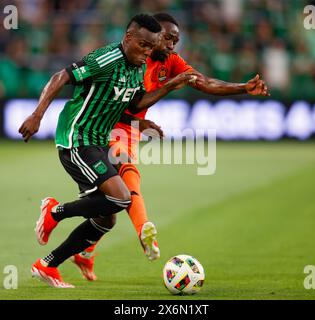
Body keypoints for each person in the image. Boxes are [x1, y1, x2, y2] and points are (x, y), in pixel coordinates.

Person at [71, 12, 270, 282]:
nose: (172, 46)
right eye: (168, 39)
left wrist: (242, 88)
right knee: (126, 170)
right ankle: (143, 230)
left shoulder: (170, 61)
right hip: (101, 127)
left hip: (128, 128)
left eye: (176, 41)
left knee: (112, 204)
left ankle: (84, 249)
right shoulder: (128, 58)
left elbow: (201, 81)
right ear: (153, 36)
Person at [18, 13, 196, 288]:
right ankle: (55, 212)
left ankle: (47, 265)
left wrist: (159, 99)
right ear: (128, 38)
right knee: (122, 198)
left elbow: (134, 104)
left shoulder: (138, 65)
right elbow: (60, 76)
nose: (147, 53)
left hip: (99, 140)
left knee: (106, 219)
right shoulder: (105, 59)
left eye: (151, 47)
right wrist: (37, 115)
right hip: (76, 138)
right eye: (143, 46)